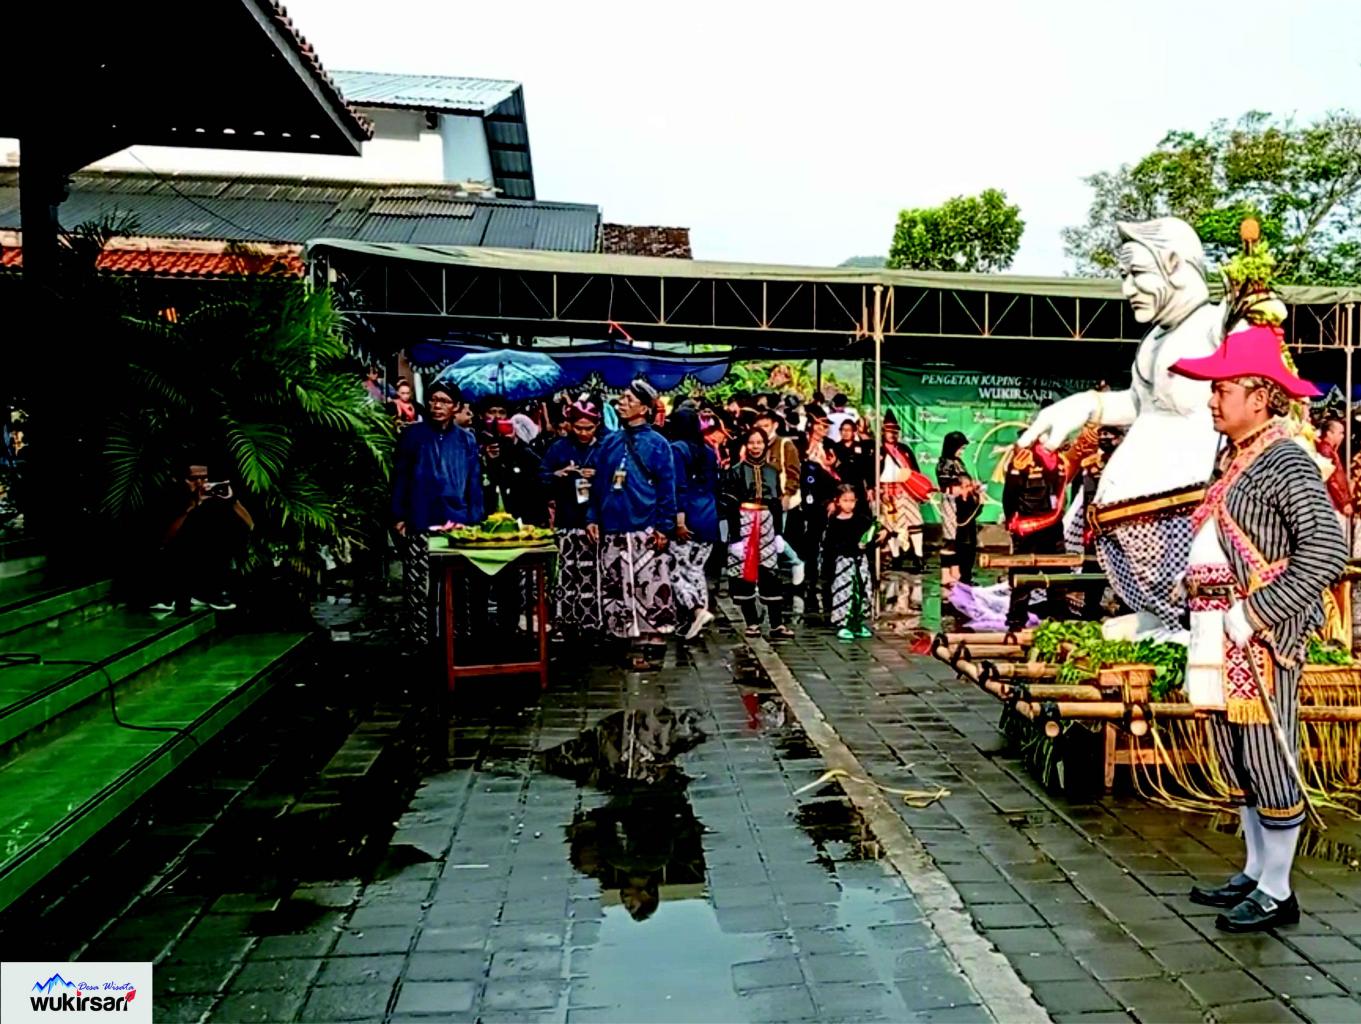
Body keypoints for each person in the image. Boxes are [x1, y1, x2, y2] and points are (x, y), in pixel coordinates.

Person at [1171, 326, 1347, 932]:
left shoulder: (1286, 460)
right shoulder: (1235, 457)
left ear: (1260, 396)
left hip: (1261, 636)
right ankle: (1253, 870)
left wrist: (1256, 611)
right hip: (1217, 630)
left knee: (1268, 752)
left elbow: (1326, 549)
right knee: (1237, 754)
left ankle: (1278, 888)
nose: (1212, 400)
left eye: (1223, 389)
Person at [391, 381, 484, 646]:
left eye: (444, 401)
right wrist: (398, 515)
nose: (437, 406)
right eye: (433, 400)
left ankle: (457, 639)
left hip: (458, 521)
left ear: (456, 407)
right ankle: (420, 639)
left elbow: (474, 483)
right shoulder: (412, 436)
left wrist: (475, 519)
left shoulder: (466, 439)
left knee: (458, 584)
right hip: (421, 518)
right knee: (419, 585)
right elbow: (400, 477)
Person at [590, 379, 678, 645]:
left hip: (645, 524)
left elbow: (667, 488)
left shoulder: (658, 444)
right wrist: (591, 517)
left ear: (644, 408)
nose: (622, 403)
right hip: (613, 525)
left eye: (629, 399)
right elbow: (597, 484)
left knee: (649, 581)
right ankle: (624, 633)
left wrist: (664, 526)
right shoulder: (608, 443)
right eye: (622, 398)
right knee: (617, 582)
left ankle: (653, 634)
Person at [150, 458, 254, 614]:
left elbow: (250, 526)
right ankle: (168, 595)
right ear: (179, 479)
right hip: (174, 561)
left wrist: (232, 500)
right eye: (193, 479)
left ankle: (208, 592)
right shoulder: (167, 498)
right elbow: (164, 540)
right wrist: (193, 505)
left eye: (204, 478)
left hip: (205, 563)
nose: (199, 483)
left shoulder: (214, 500)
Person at [540, 398, 605, 637]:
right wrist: (560, 474)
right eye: (578, 427)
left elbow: (616, 480)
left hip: (595, 523)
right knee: (565, 574)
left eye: (589, 428)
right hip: (566, 521)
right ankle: (564, 622)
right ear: (569, 424)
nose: (583, 433)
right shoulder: (558, 448)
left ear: (597, 425)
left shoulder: (604, 448)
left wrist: (598, 475)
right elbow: (541, 477)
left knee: (593, 574)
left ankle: (593, 623)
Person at [723, 427, 793, 639]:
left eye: (759, 442)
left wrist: (778, 533)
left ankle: (777, 624)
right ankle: (751, 622)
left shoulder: (773, 471)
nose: (756, 447)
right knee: (744, 573)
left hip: (767, 523)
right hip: (744, 522)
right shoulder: (735, 471)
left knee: (770, 572)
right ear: (746, 445)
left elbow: (776, 504)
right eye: (752, 442)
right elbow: (731, 505)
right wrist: (735, 537)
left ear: (765, 445)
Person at [668, 405, 720, 640]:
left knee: (674, 568)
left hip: (688, 513)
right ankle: (699, 617)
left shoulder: (676, 450)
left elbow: (678, 486)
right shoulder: (708, 450)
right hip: (708, 514)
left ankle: (695, 609)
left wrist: (679, 520)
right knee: (697, 569)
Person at [824, 484, 885, 641]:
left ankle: (858, 622)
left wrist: (877, 536)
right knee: (845, 592)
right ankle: (843, 623)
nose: (849, 504)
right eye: (845, 500)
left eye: (852, 501)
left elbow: (871, 537)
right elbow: (830, 545)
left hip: (860, 561)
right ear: (837, 501)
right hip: (843, 562)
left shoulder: (861, 520)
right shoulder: (834, 522)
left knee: (863, 590)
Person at [796, 404, 840, 614]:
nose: (824, 430)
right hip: (804, 497)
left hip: (825, 498)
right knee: (807, 540)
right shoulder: (801, 444)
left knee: (825, 538)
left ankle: (824, 576)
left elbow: (838, 476)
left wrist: (834, 498)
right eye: (820, 426)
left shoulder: (830, 447)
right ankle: (808, 576)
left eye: (826, 426)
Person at [879, 411, 926, 572]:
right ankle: (896, 557)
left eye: (895, 432)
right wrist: (879, 491)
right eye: (889, 431)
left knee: (915, 522)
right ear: (883, 432)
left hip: (907, 490)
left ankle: (918, 557)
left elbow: (915, 470)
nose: (892, 435)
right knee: (891, 525)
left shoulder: (904, 449)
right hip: (887, 491)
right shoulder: (878, 451)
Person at [936, 432, 970, 586]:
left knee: (956, 538)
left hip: (961, 503)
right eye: (960, 448)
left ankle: (955, 570)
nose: (961, 452)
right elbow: (946, 484)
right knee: (950, 538)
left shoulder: (958, 462)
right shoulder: (944, 464)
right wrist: (961, 488)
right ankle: (945, 573)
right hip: (950, 502)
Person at [1316, 415, 1352, 526]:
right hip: (1333, 503)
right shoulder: (1326, 451)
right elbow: (1332, 480)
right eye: (1340, 433)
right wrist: (1343, 502)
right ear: (1329, 433)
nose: (1342, 436)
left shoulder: (1330, 450)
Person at [831, 419, 872, 501]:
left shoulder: (861, 447)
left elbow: (867, 468)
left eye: (848, 430)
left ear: (854, 432)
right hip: (841, 486)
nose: (845, 432)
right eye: (843, 430)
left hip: (858, 487)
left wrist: (870, 488)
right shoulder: (835, 447)